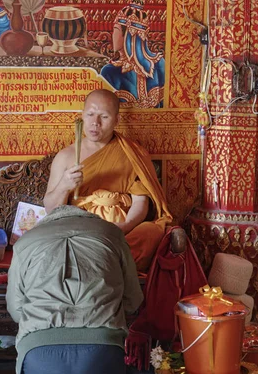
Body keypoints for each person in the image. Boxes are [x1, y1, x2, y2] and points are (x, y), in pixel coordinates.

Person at [6, 204, 143, 374]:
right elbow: (133, 299)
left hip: (42, 355)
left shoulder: (26, 241)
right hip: (100, 351)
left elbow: (16, 309)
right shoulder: (111, 234)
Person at [44, 89, 173, 275]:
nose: (95, 123)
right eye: (90, 115)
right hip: (81, 229)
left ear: (116, 120)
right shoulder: (66, 157)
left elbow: (140, 201)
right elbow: (50, 209)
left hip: (121, 230)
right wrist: (64, 185)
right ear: (82, 116)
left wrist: (125, 226)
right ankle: (107, 263)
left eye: (103, 116)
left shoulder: (132, 154)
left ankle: (97, 264)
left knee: (150, 232)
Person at [101, 0, 165, 107]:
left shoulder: (159, 64)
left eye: (116, 30)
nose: (112, 35)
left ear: (128, 36)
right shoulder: (110, 71)